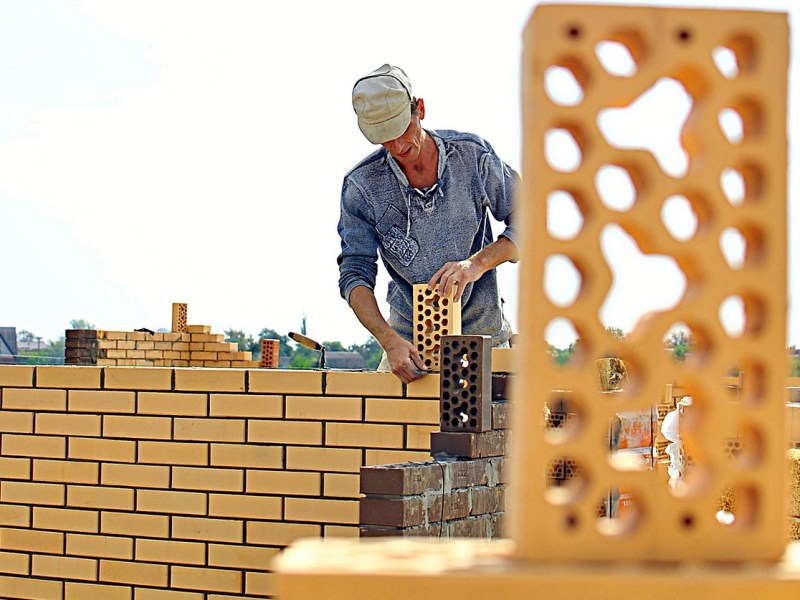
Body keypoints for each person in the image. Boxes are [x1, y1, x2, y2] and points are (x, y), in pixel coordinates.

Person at [337, 64, 519, 383]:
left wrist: (475, 264)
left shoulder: (472, 158)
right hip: (409, 351)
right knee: (392, 432)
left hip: (484, 340)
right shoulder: (362, 187)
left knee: (493, 432)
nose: (398, 147)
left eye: (401, 131)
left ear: (419, 108)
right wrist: (389, 341)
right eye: (385, 140)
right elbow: (354, 273)